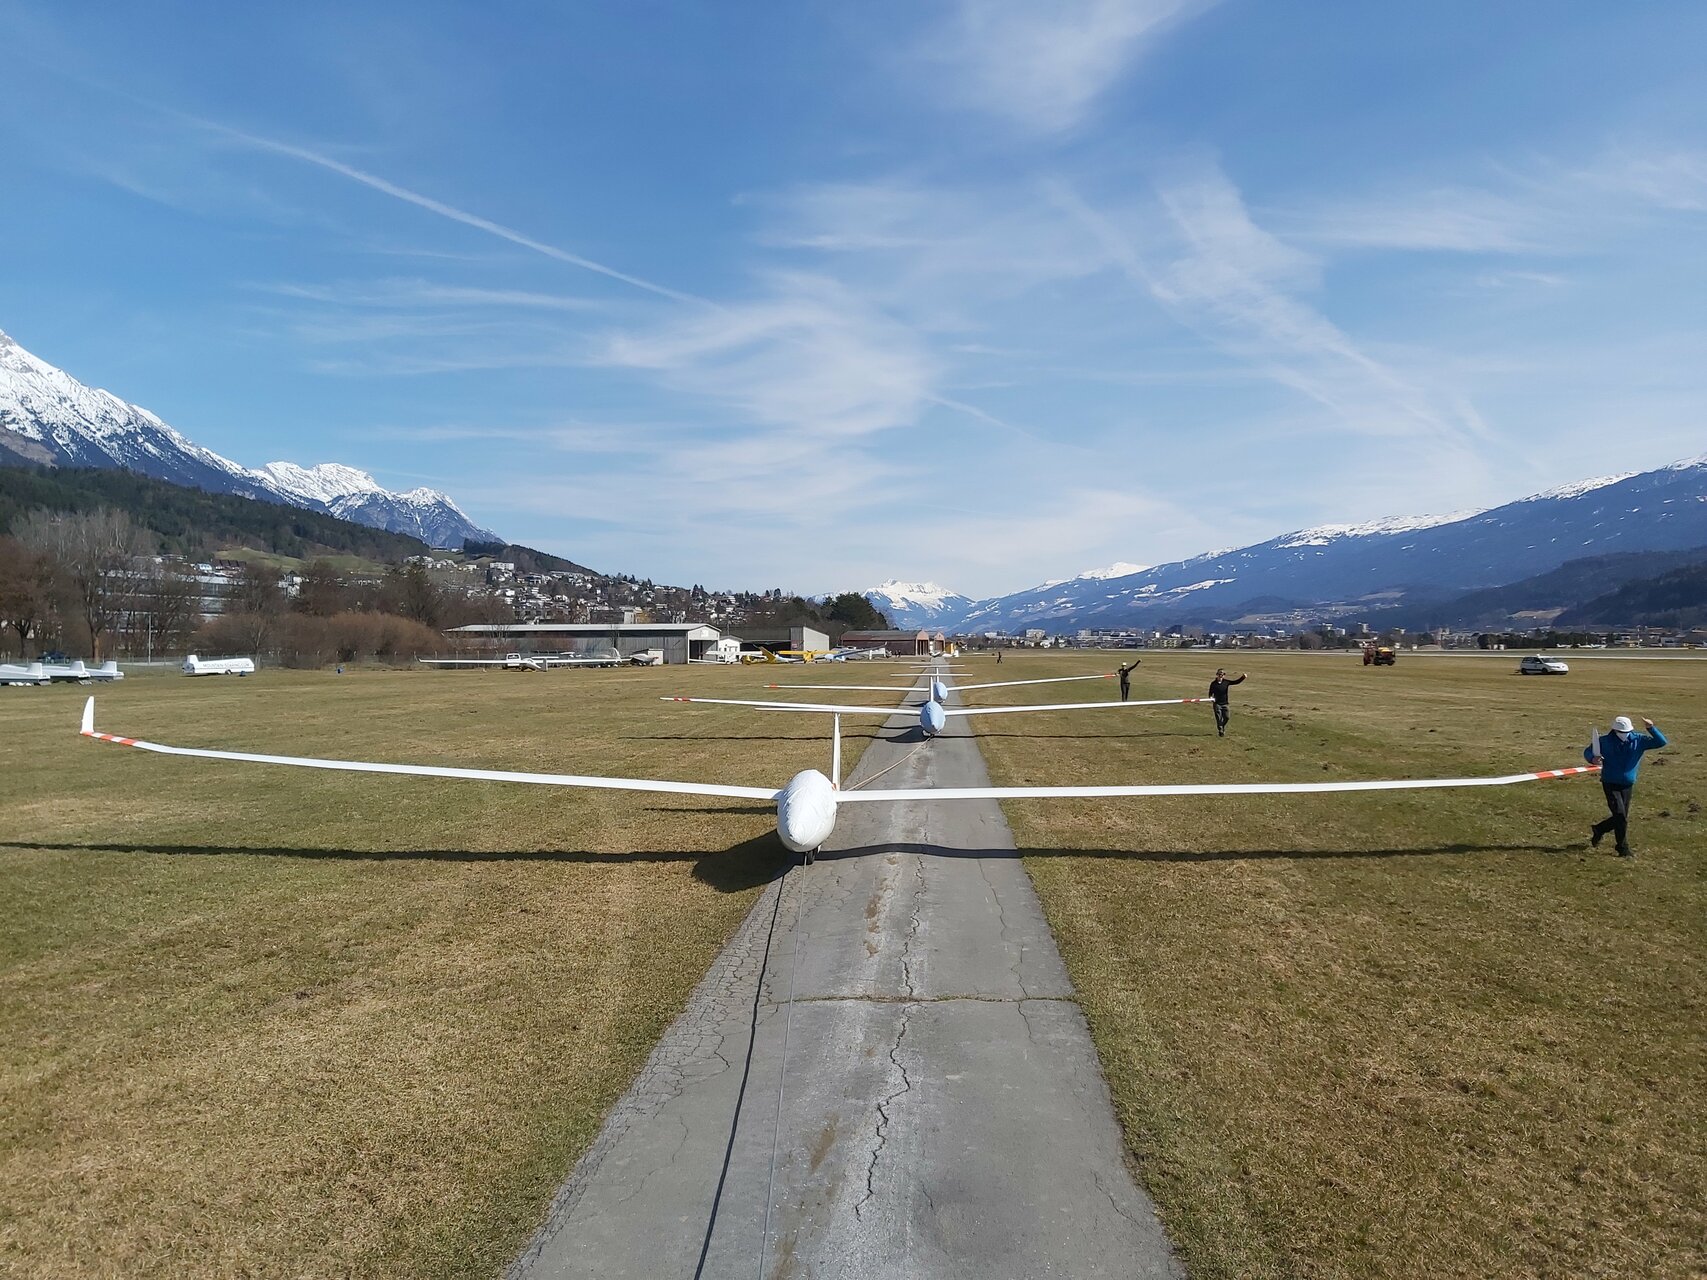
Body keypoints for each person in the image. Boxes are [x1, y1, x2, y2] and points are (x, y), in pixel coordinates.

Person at [1585, 715, 1667, 858]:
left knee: (1621, 817)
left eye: (1627, 732)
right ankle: (1622, 848)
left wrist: (1651, 728)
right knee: (1620, 815)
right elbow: (1588, 751)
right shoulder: (1604, 741)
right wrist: (1593, 759)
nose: (1624, 734)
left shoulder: (1639, 740)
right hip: (1610, 782)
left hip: (1628, 784)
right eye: (1621, 732)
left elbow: (1661, 742)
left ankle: (1600, 829)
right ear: (1614, 730)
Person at [1208, 668, 1246, 736]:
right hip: (1217, 704)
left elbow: (1235, 682)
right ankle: (1220, 730)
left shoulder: (1226, 682)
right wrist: (1211, 697)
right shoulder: (1213, 684)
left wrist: (1243, 677)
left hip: (1225, 704)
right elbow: (1210, 693)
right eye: (1220, 674)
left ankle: (1222, 726)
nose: (1221, 676)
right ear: (1217, 675)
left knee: (1227, 717)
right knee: (1219, 718)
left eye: (1222, 674)